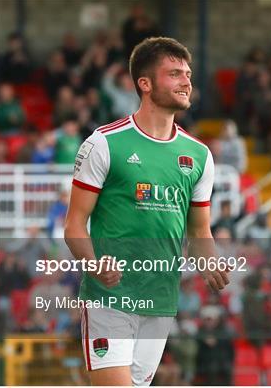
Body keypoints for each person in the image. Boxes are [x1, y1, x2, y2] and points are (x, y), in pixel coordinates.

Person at [65, 37, 230, 386]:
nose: (186, 81)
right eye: (174, 74)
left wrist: (210, 260)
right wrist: (94, 266)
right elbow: (74, 225)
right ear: (145, 83)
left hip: (161, 300)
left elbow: (200, 232)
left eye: (187, 74)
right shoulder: (104, 143)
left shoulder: (199, 155)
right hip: (109, 298)